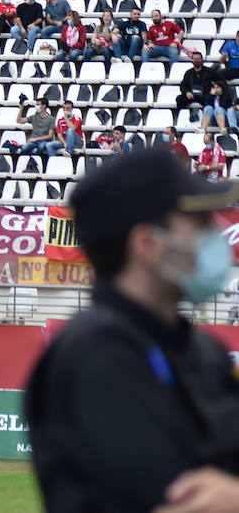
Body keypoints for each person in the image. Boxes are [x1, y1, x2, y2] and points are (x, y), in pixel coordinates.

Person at [25, 147, 239, 512]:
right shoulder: (95, 355)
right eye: (199, 223)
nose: (217, 235)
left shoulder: (203, 350)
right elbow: (177, 497)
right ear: (147, 244)